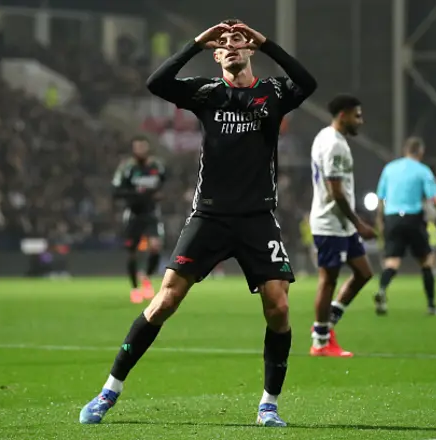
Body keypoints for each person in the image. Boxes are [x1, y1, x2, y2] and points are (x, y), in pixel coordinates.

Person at [80, 20, 316, 427]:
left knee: (278, 306)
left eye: (238, 40)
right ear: (216, 54)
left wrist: (267, 41)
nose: (231, 46)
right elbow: (157, 82)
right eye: (223, 43)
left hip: (258, 216)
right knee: (166, 300)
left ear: (250, 50)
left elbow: (307, 83)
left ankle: (268, 405)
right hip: (209, 214)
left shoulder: (273, 93)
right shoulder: (206, 93)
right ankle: (108, 392)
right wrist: (195, 43)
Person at [308, 95, 375, 357]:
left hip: (341, 225)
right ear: (343, 115)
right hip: (330, 223)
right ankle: (321, 341)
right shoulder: (335, 145)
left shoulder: (324, 136)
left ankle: (329, 320)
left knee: (363, 272)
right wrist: (358, 223)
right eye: (357, 115)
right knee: (328, 280)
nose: (361, 120)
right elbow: (335, 191)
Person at [374, 137, 436, 316]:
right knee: (427, 261)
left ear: (405, 150)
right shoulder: (423, 171)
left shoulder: (389, 168)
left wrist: (380, 221)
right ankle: (431, 305)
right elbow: (435, 199)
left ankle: (382, 291)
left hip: (392, 218)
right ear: (420, 152)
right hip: (413, 218)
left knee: (392, 262)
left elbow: (381, 199)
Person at [112, 136, 166, 303]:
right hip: (133, 214)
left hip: (151, 213)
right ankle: (134, 288)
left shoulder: (157, 166)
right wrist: (136, 193)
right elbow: (115, 191)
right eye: (138, 147)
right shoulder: (126, 168)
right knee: (132, 252)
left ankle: (146, 278)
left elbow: (163, 184)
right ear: (134, 150)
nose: (141, 150)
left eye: (143, 147)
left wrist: (158, 194)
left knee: (156, 246)